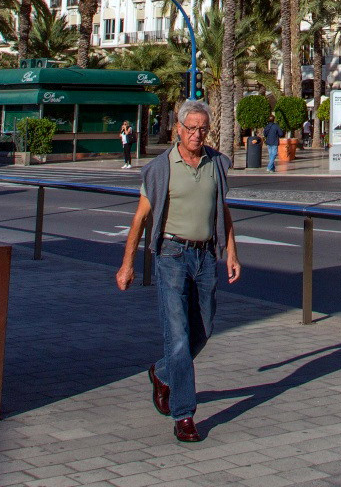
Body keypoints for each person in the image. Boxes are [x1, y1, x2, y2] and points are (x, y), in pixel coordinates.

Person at [116, 100, 239, 444]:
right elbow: (140, 219)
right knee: (179, 336)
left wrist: (231, 252)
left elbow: (223, 211)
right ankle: (184, 413)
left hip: (205, 257)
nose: (198, 134)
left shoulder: (216, 164)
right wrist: (127, 265)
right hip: (171, 254)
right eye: (192, 128)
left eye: (203, 129)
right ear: (178, 130)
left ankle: (163, 372)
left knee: (204, 329)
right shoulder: (160, 168)